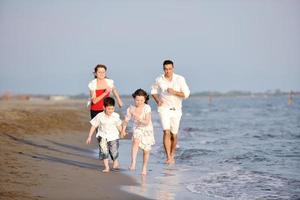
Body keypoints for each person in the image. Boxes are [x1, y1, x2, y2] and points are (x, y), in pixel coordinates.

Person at [151, 59, 190, 164]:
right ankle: (168, 157)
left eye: (169, 69)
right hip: (164, 109)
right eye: (166, 69)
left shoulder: (180, 79)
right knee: (166, 131)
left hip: (176, 110)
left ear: (173, 68)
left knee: (174, 134)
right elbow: (153, 91)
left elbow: (186, 94)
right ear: (163, 69)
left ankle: (172, 154)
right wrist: (158, 100)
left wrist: (174, 92)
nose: (167, 71)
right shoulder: (159, 79)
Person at [121, 89, 155, 175]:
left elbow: (146, 122)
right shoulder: (130, 109)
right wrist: (123, 130)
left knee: (146, 151)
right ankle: (133, 163)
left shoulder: (147, 108)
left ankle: (144, 168)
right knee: (136, 141)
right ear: (134, 99)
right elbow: (126, 120)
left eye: (141, 100)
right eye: (137, 100)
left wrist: (135, 115)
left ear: (145, 99)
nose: (139, 102)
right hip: (137, 128)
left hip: (147, 129)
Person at [86, 97, 122, 172]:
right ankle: (106, 167)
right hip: (102, 136)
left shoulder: (115, 116)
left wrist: (122, 132)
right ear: (104, 107)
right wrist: (89, 136)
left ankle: (115, 162)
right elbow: (94, 125)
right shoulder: (99, 116)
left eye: (112, 109)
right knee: (104, 152)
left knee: (113, 151)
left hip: (113, 136)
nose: (110, 111)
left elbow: (119, 125)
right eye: (109, 109)